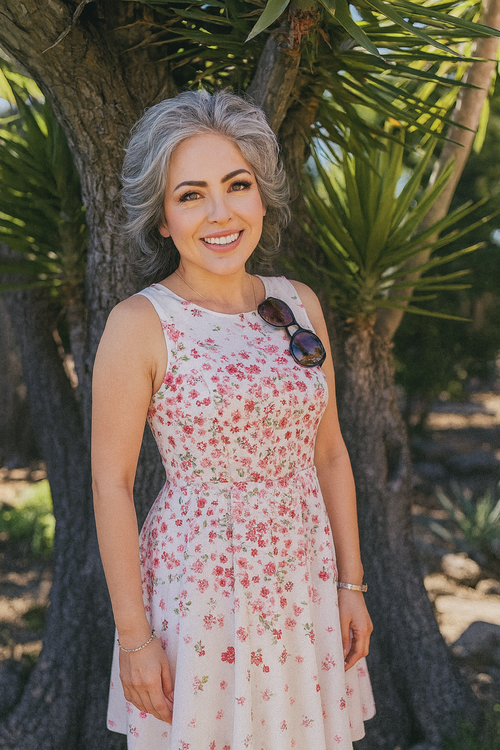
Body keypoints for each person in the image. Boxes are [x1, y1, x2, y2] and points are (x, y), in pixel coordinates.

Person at [92, 89, 375, 750]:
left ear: (262, 196)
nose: (220, 214)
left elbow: (330, 452)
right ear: (163, 219)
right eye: (190, 195)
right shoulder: (140, 324)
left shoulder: (297, 303)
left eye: (237, 185)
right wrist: (135, 639)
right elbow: (111, 483)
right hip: (202, 593)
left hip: (303, 581)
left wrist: (351, 584)